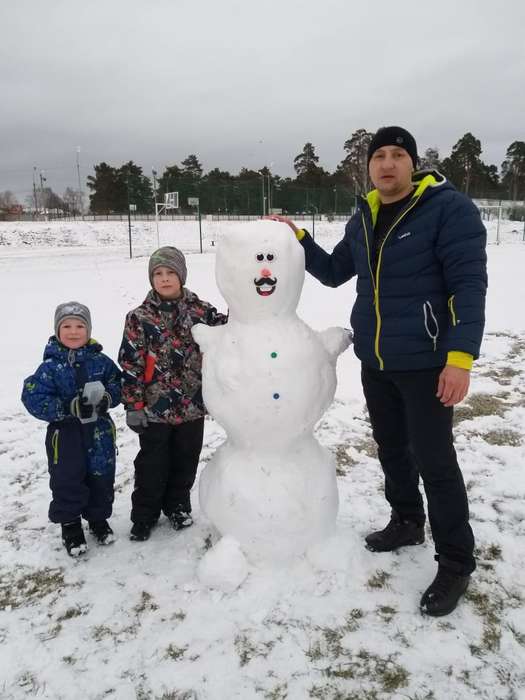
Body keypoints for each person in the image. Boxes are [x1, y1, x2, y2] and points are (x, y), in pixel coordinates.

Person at [272, 126, 488, 616]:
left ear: (413, 163)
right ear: (368, 166)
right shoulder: (364, 215)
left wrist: (460, 359)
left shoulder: (449, 210)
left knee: (435, 460)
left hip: (427, 362)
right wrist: (298, 237)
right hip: (376, 361)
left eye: (397, 155)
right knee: (392, 448)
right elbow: (333, 272)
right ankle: (407, 520)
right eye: (379, 156)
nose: (387, 164)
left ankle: (456, 560)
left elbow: (468, 287)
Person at [119, 246, 228, 542]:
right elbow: (130, 362)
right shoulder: (139, 317)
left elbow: (229, 331)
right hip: (154, 408)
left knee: (186, 459)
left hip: (191, 404)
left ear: (181, 275)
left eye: (170, 273)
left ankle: (178, 506)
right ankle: (145, 514)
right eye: (158, 273)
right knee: (152, 464)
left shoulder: (200, 311)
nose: (165, 279)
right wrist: (134, 404)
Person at [21, 302, 122, 556]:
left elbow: (119, 383)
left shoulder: (100, 361)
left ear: (88, 330)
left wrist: (109, 397)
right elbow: (32, 397)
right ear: (57, 330)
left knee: (101, 478)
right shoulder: (50, 368)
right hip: (65, 437)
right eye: (66, 326)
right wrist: (67, 407)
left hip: (99, 433)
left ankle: (98, 520)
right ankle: (70, 526)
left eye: (80, 326)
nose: (74, 331)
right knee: (67, 480)